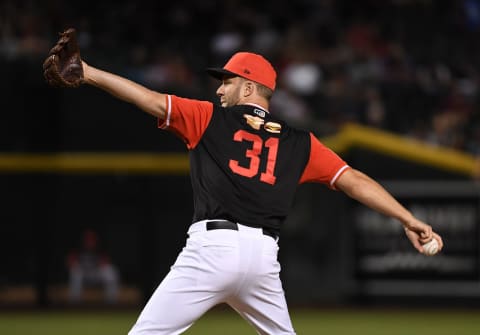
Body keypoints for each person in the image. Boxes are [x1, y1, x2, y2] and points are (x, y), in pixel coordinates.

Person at [47, 38, 443, 334]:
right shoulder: (301, 142)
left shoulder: (207, 118)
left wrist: (88, 73)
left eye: (227, 82)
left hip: (212, 250)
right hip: (262, 261)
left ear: (250, 88)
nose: (219, 89)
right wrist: (407, 218)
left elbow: (150, 100)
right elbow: (354, 180)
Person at [66, 229, 120, 304]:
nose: (90, 241)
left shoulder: (100, 248)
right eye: (88, 239)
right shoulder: (79, 248)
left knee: (110, 271)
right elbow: (70, 260)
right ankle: (75, 303)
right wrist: (75, 263)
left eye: (91, 239)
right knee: (75, 272)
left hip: (96, 273)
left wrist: (101, 263)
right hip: (84, 274)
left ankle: (111, 303)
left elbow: (106, 262)